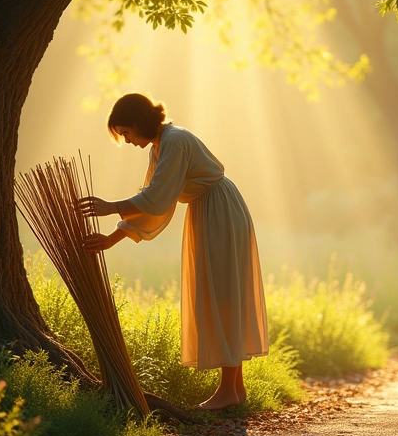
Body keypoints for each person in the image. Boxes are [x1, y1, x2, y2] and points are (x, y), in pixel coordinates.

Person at [79, 92, 268, 410]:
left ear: (138, 124)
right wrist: (113, 238)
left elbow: (157, 198)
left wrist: (111, 207)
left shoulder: (175, 141)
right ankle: (235, 389)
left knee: (223, 294)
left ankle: (228, 390)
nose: (126, 141)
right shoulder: (161, 146)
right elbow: (154, 201)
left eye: (126, 133)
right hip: (210, 210)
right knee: (220, 292)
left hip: (219, 211)